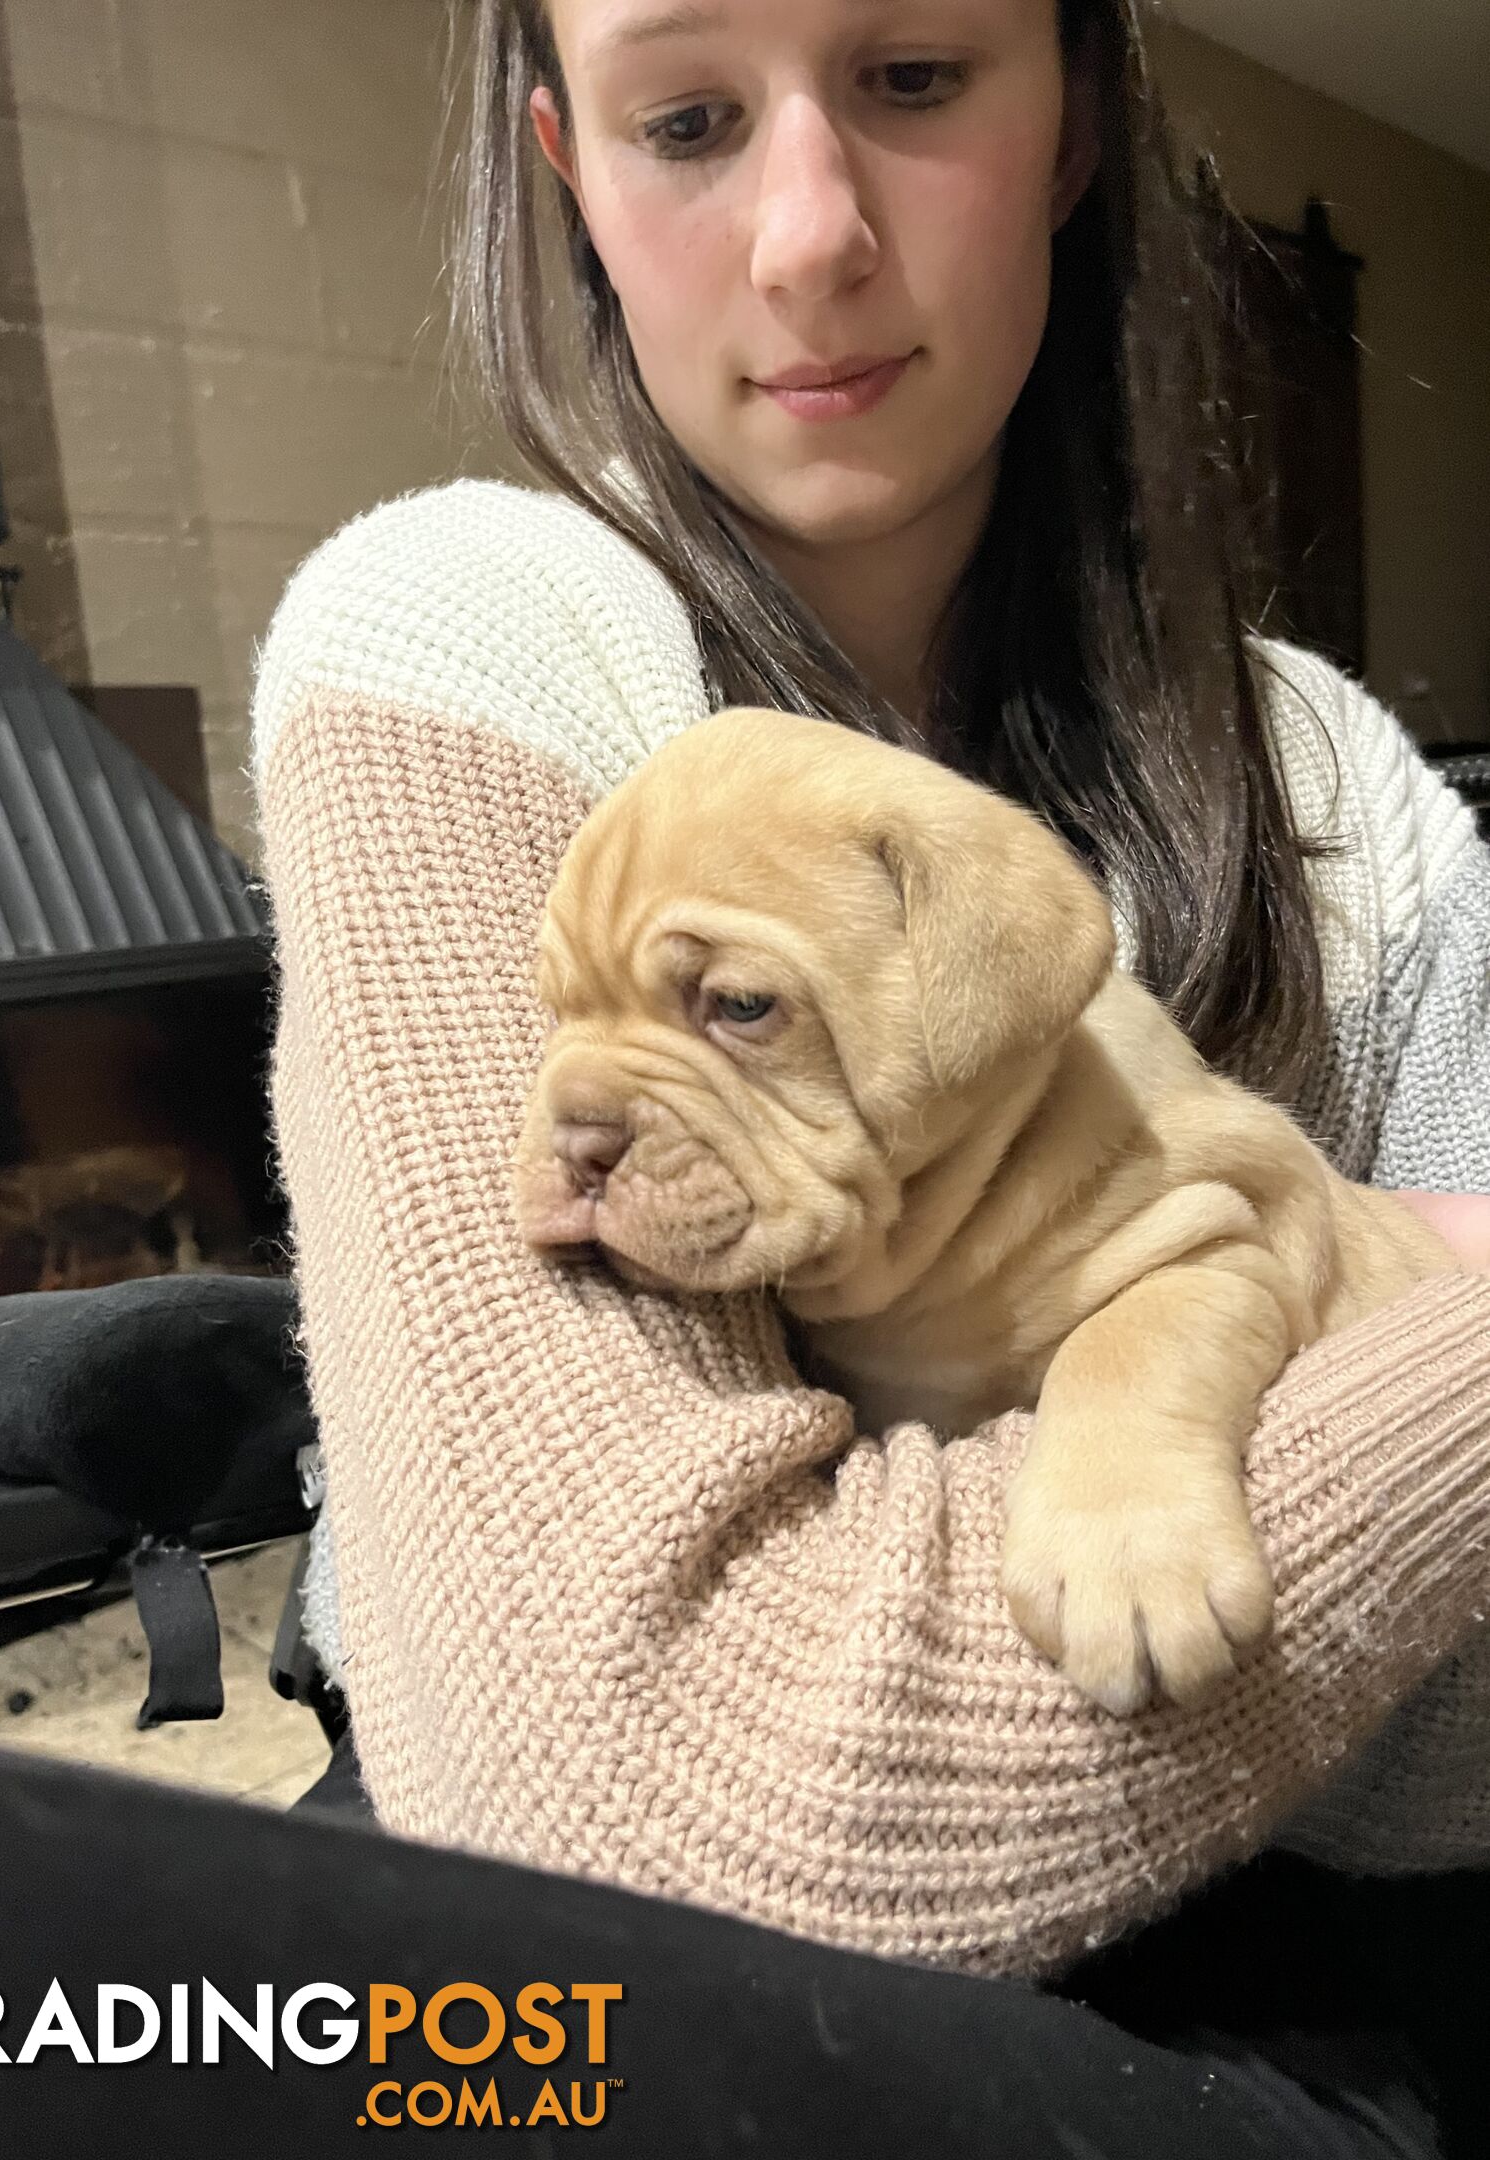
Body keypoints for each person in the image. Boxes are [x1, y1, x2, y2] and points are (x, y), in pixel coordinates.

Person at [249, 0, 1490, 2148]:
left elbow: (1463, 1771)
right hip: (601, 2004)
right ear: (572, 173)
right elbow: (646, 1787)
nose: (811, 234)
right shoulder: (465, 639)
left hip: (1279, 1960)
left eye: (914, 79)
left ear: (1078, 119)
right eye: (692, 116)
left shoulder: (1335, 788)